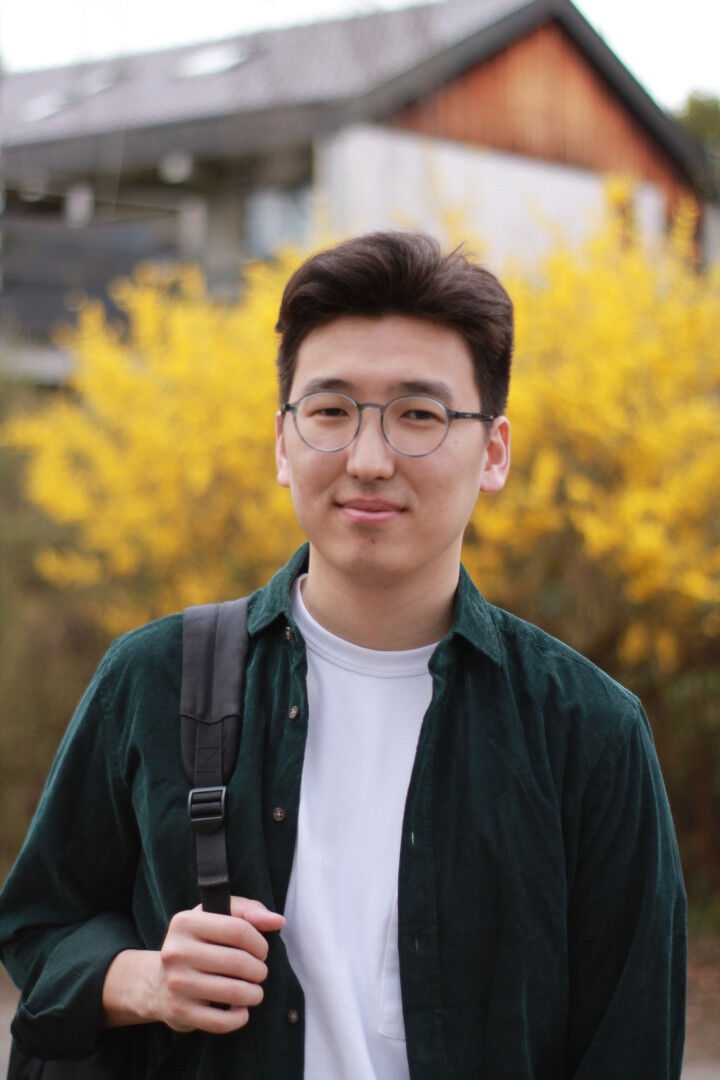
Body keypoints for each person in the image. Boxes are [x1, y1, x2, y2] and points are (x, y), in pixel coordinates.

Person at [0, 231, 686, 1079]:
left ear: (494, 452)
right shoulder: (155, 678)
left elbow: (631, 1043)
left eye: (419, 416)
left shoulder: (587, 730)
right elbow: (40, 924)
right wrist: (142, 980)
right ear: (282, 443)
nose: (367, 460)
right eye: (330, 412)